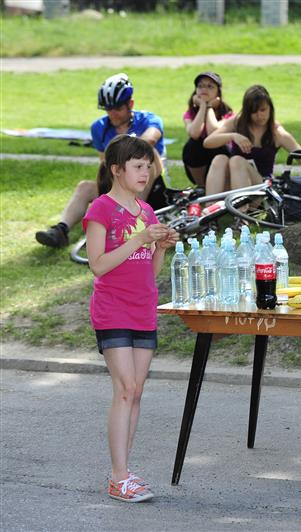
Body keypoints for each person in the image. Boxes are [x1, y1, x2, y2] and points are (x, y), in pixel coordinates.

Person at [83, 135, 178, 502]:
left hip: (143, 309)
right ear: (117, 170)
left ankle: (124, 472)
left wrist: (161, 249)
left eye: (148, 166)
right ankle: (119, 477)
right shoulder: (101, 209)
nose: (146, 172)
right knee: (124, 388)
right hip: (113, 308)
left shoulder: (147, 212)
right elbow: (98, 265)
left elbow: (148, 273)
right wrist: (138, 240)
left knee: (136, 391)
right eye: (138, 166)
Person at [35, 73, 165, 249]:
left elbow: (150, 139)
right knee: (85, 187)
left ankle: (130, 223)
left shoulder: (149, 120)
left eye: (117, 108)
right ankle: (60, 230)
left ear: (130, 104)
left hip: (151, 188)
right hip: (119, 184)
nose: (112, 114)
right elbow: (105, 164)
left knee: (148, 152)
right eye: (108, 109)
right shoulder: (99, 128)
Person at [203, 84, 301, 195]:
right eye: (254, 112)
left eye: (263, 110)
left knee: (237, 161)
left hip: (261, 188)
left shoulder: (276, 133)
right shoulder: (237, 123)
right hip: (233, 185)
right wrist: (233, 136)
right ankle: (210, 210)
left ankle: (242, 212)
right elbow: (208, 142)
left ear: (270, 108)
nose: (260, 115)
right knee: (220, 159)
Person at [182, 71, 234, 186]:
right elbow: (194, 133)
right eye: (200, 86)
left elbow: (213, 132)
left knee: (217, 144)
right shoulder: (190, 113)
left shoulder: (228, 114)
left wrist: (209, 107)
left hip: (221, 161)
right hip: (200, 164)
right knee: (192, 145)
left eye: (210, 86)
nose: (204, 89)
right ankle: (201, 186)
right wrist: (202, 106)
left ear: (218, 92)